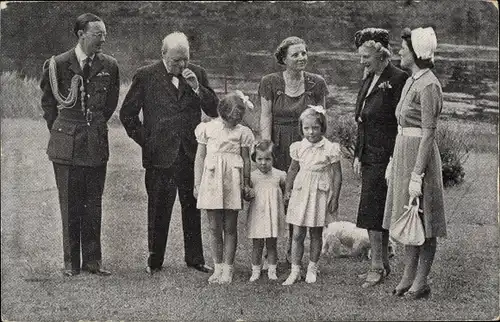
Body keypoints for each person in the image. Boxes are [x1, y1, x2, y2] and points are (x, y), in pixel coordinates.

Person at [120, 31, 218, 275]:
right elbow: (128, 115)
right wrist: (147, 142)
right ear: (163, 54)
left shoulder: (198, 73)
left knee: (192, 207)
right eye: (176, 61)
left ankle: (195, 259)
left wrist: (197, 88)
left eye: (185, 59)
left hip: (190, 154)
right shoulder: (145, 76)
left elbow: (215, 109)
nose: (182, 65)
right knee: (158, 209)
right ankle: (155, 260)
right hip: (159, 157)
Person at [40, 13, 119, 277]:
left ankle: (93, 262)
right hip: (67, 145)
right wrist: (63, 131)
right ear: (81, 34)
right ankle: (71, 263)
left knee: (93, 203)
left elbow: (109, 105)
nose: (103, 40)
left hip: (95, 142)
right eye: (98, 34)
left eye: (104, 35)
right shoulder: (58, 64)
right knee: (70, 203)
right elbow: (49, 104)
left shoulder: (110, 65)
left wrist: (92, 125)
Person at [383, 27, 446, 299]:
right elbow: (402, 125)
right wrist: (393, 161)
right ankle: (408, 276)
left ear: (417, 53)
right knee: (408, 216)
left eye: (403, 49)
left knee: (424, 218)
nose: (399, 52)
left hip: (421, 158)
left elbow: (428, 131)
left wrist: (417, 174)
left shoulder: (429, 84)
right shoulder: (411, 80)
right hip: (403, 152)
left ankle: (422, 281)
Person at [259, 36, 329, 264]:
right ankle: (269, 248)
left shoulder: (317, 83)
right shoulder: (269, 82)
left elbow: (322, 120)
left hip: (304, 145)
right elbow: (266, 116)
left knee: (299, 194)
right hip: (278, 144)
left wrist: (318, 150)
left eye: (304, 53)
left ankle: (292, 247)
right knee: (273, 194)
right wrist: (265, 148)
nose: (301, 58)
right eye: (295, 54)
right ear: (284, 59)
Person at [352, 28, 409, 288]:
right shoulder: (370, 76)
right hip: (369, 153)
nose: (362, 61)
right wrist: (357, 154)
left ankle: (377, 266)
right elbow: (362, 119)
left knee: (374, 211)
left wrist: (393, 158)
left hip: (385, 154)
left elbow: (402, 122)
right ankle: (382, 262)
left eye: (366, 57)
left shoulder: (398, 79)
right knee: (372, 208)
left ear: (382, 54)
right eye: (361, 56)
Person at [193, 91, 255, 284]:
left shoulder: (242, 132)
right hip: (211, 180)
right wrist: (197, 183)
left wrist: (245, 182)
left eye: (238, 118)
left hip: (232, 181)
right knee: (213, 227)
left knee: (230, 227)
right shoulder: (207, 129)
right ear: (223, 112)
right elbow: (200, 158)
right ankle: (217, 267)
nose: (235, 122)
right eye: (232, 118)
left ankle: (228, 268)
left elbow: (245, 159)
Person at [282, 105, 342, 285]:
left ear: (322, 127)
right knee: (298, 233)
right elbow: (293, 169)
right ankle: (295, 270)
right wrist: (288, 189)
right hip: (301, 190)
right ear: (301, 128)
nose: (310, 132)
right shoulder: (299, 147)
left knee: (316, 233)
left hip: (319, 191)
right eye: (306, 128)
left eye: (315, 128)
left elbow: (337, 174)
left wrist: (335, 197)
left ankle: (312, 268)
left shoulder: (330, 148)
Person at [246, 140, 286, 282]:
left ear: (274, 159)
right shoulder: (252, 176)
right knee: (257, 243)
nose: (263, 163)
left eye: (268, 159)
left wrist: (287, 195)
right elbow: (246, 192)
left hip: (272, 214)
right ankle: (255, 270)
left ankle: (272, 269)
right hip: (258, 214)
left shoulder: (279, 175)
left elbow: (287, 187)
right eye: (260, 159)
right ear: (254, 159)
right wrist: (247, 192)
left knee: (271, 243)